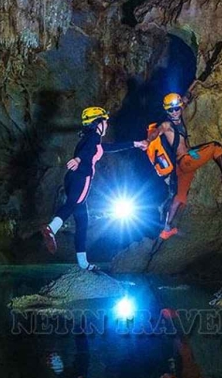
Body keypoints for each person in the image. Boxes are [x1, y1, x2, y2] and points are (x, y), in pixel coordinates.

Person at [40, 106, 147, 269]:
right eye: (105, 121)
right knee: (72, 204)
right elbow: (88, 150)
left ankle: (83, 263)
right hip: (82, 176)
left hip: (72, 178)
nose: (107, 124)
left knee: (82, 221)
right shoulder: (93, 137)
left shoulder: (89, 138)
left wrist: (136, 144)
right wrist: (79, 159)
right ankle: (51, 228)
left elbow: (110, 147)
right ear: (98, 123)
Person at [145, 92, 222, 240]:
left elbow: (185, 100)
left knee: (179, 197)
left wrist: (190, 92)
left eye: (176, 108)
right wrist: (148, 140)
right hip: (186, 161)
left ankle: (166, 229)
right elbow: (157, 131)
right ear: (166, 111)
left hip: (182, 166)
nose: (174, 112)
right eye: (171, 110)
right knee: (216, 147)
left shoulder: (179, 113)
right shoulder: (167, 125)